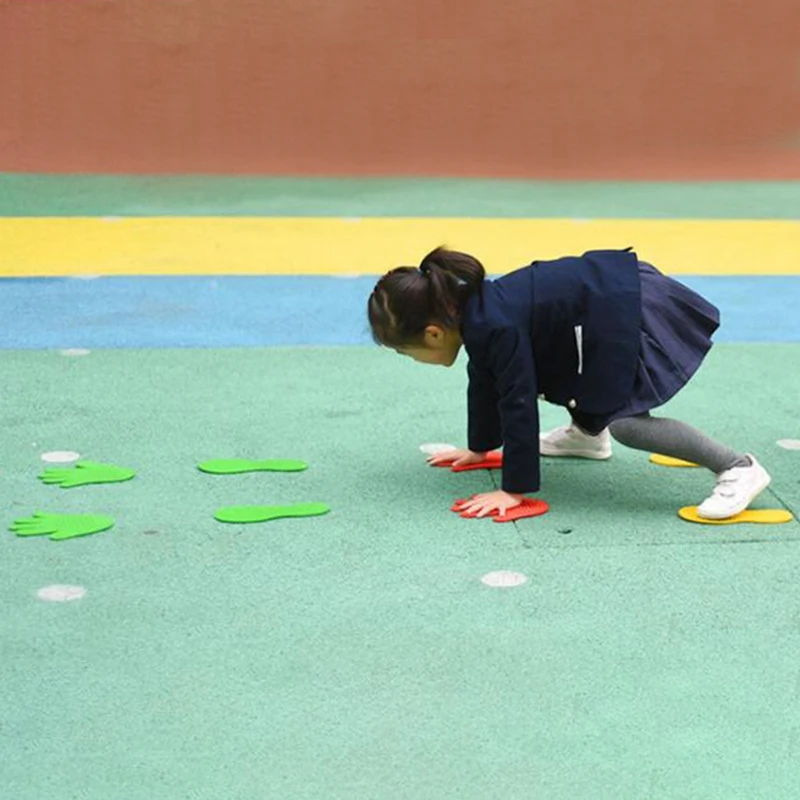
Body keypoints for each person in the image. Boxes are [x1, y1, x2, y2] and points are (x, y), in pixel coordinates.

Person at [367, 246, 771, 519]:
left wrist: (514, 490)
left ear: (434, 333)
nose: (413, 360)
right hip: (598, 305)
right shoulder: (477, 317)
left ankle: (738, 466)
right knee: (558, 358)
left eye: (407, 352)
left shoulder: (494, 325)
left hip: (625, 304)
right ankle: (587, 434)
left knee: (628, 421)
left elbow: (517, 398)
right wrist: (480, 448)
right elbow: (485, 380)